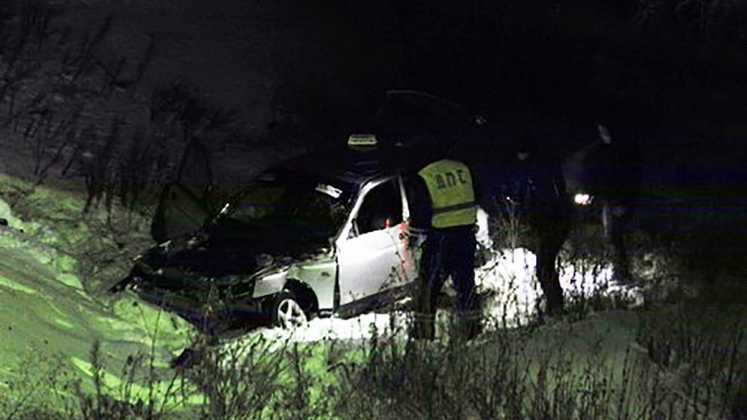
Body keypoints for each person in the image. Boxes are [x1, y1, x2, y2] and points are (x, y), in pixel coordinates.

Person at [404, 141, 481, 340]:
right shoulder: (463, 169)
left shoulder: (426, 175)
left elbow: (421, 212)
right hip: (466, 234)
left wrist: (413, 237)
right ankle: (472, 331)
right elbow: (478, 194)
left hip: (441, 237)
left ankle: (423, 334)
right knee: (465, 284)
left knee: (429, 285)